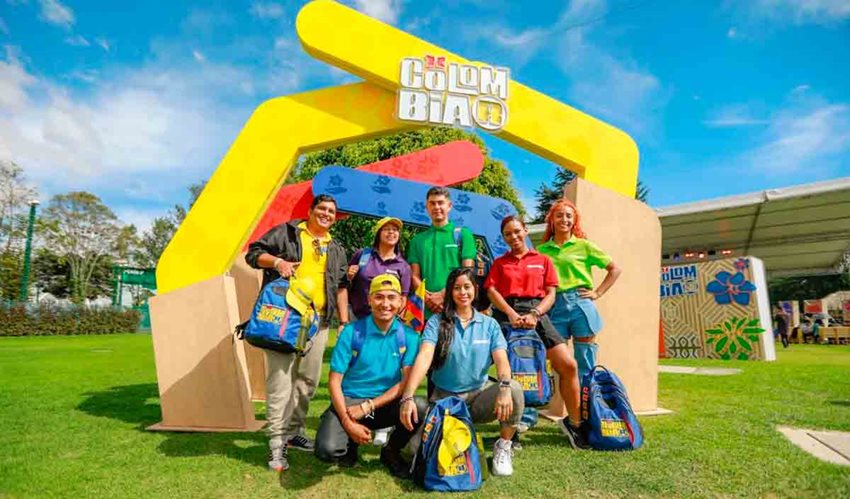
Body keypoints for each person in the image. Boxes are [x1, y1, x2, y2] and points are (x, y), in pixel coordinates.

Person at [245, 194, 349, 472]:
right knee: (281, 382)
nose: (326, 214)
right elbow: (253, 254)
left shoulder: (336, 247)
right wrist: (278, 263)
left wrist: (344, 321)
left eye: (331, 211)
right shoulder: (288, 233)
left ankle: (293, 432)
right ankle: (276, 446)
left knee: (308, 382)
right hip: (286, 320)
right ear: (311, 210)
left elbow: (340, 286)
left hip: (320, 324)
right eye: (322, 209)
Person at [399, 268, 524, 477]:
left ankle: (503, 446)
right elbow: (424, 357)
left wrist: (503, 388)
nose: (462, 292)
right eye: (457, 288)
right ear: (450, 292)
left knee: (514, 389)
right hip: (444, 402)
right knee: (412, 453)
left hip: (477, 399)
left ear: (475, 289)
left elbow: (502, 360)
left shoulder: (490, 324)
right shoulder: (436, 322)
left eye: (467, 287)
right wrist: (408, 395)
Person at [484, 215, 587, 448]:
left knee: (568, 365)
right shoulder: (500, 263)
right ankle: (511, 429)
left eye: (517, 231)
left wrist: (535, 314)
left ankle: (575, 424)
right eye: (508, 234)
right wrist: (510, 314)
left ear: (526, 231)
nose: (514, 236)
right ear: (504, 238)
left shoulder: (542, 259)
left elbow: (551, 293)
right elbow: (491, 291)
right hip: (506, 314)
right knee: (507, 371)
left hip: (537, 313)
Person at [315, 273, 427, 478]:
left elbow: (405, 383)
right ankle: (349, 441)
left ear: (401, 301)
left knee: (419, 406)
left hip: (383, 405)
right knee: (327, 450)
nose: (385, 304)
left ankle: (391, 451)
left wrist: (367, 407)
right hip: (349, 402)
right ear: (369, 299)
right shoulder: (351, 332)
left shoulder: (409, 337)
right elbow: (334, 381)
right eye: (379, 297)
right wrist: (348, 422)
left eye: (391, 297)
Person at [537, 199, 622, 380]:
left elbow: (615, 269)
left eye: (569, 216)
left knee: (585, 356)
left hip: (580, 305)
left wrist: (597, 292)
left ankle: (587, 401)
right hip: (554, 306)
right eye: (559, 215)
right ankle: (557, 403)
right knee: (557, 359)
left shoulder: (584, 246)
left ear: (575, 220)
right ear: (551, 219)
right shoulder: (540, 251)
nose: (564, 219)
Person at [407, 187, 476, 317]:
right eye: (432, 203)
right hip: (426, 312)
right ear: (426, 207)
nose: (436, 207)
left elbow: (467, 273)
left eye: (440, 203)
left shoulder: (463, 234)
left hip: (456, 309)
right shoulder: (418, 240)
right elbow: (414, 276)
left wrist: (442, 295)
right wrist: (428, 299)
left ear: (449, 206)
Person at [345, 217, 412, 321]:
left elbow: (403, 298)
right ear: (378, 234)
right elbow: (345, 283)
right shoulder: (363, 255)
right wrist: (349, 275)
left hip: (386, 323)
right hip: (357, 318)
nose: (391, 232)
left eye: (395, 230)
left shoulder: (403, 266)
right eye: (386, 229)